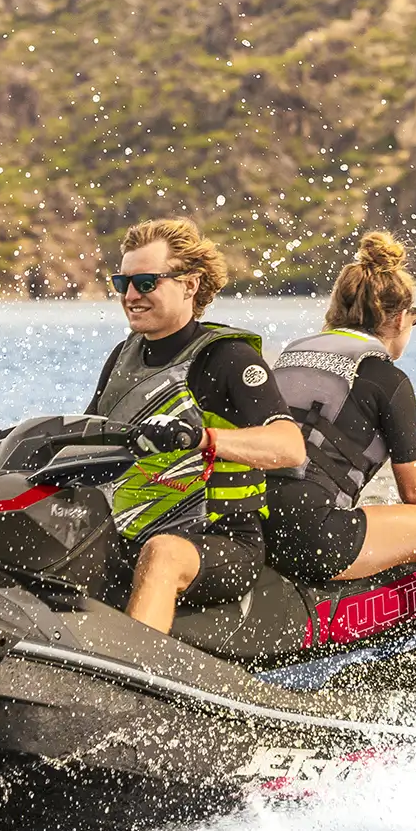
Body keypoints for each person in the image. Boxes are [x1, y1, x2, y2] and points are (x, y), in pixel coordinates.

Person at [260, 231, 416, 689]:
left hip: (254, 525)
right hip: (310, 537)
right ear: (401, 318)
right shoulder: (387, 378)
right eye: (414, 318)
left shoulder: (288, 356)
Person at [86, 217, 306, 632]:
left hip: (221, 538)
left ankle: (130, 679)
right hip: (130, 530)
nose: (131, 296)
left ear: (190, 284)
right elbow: (89, 434)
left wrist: (204, 439)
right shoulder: (123, 357)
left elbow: (290, 446)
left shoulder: (228, 359)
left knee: (162, 553)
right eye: (123, 283)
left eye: (147, 282)